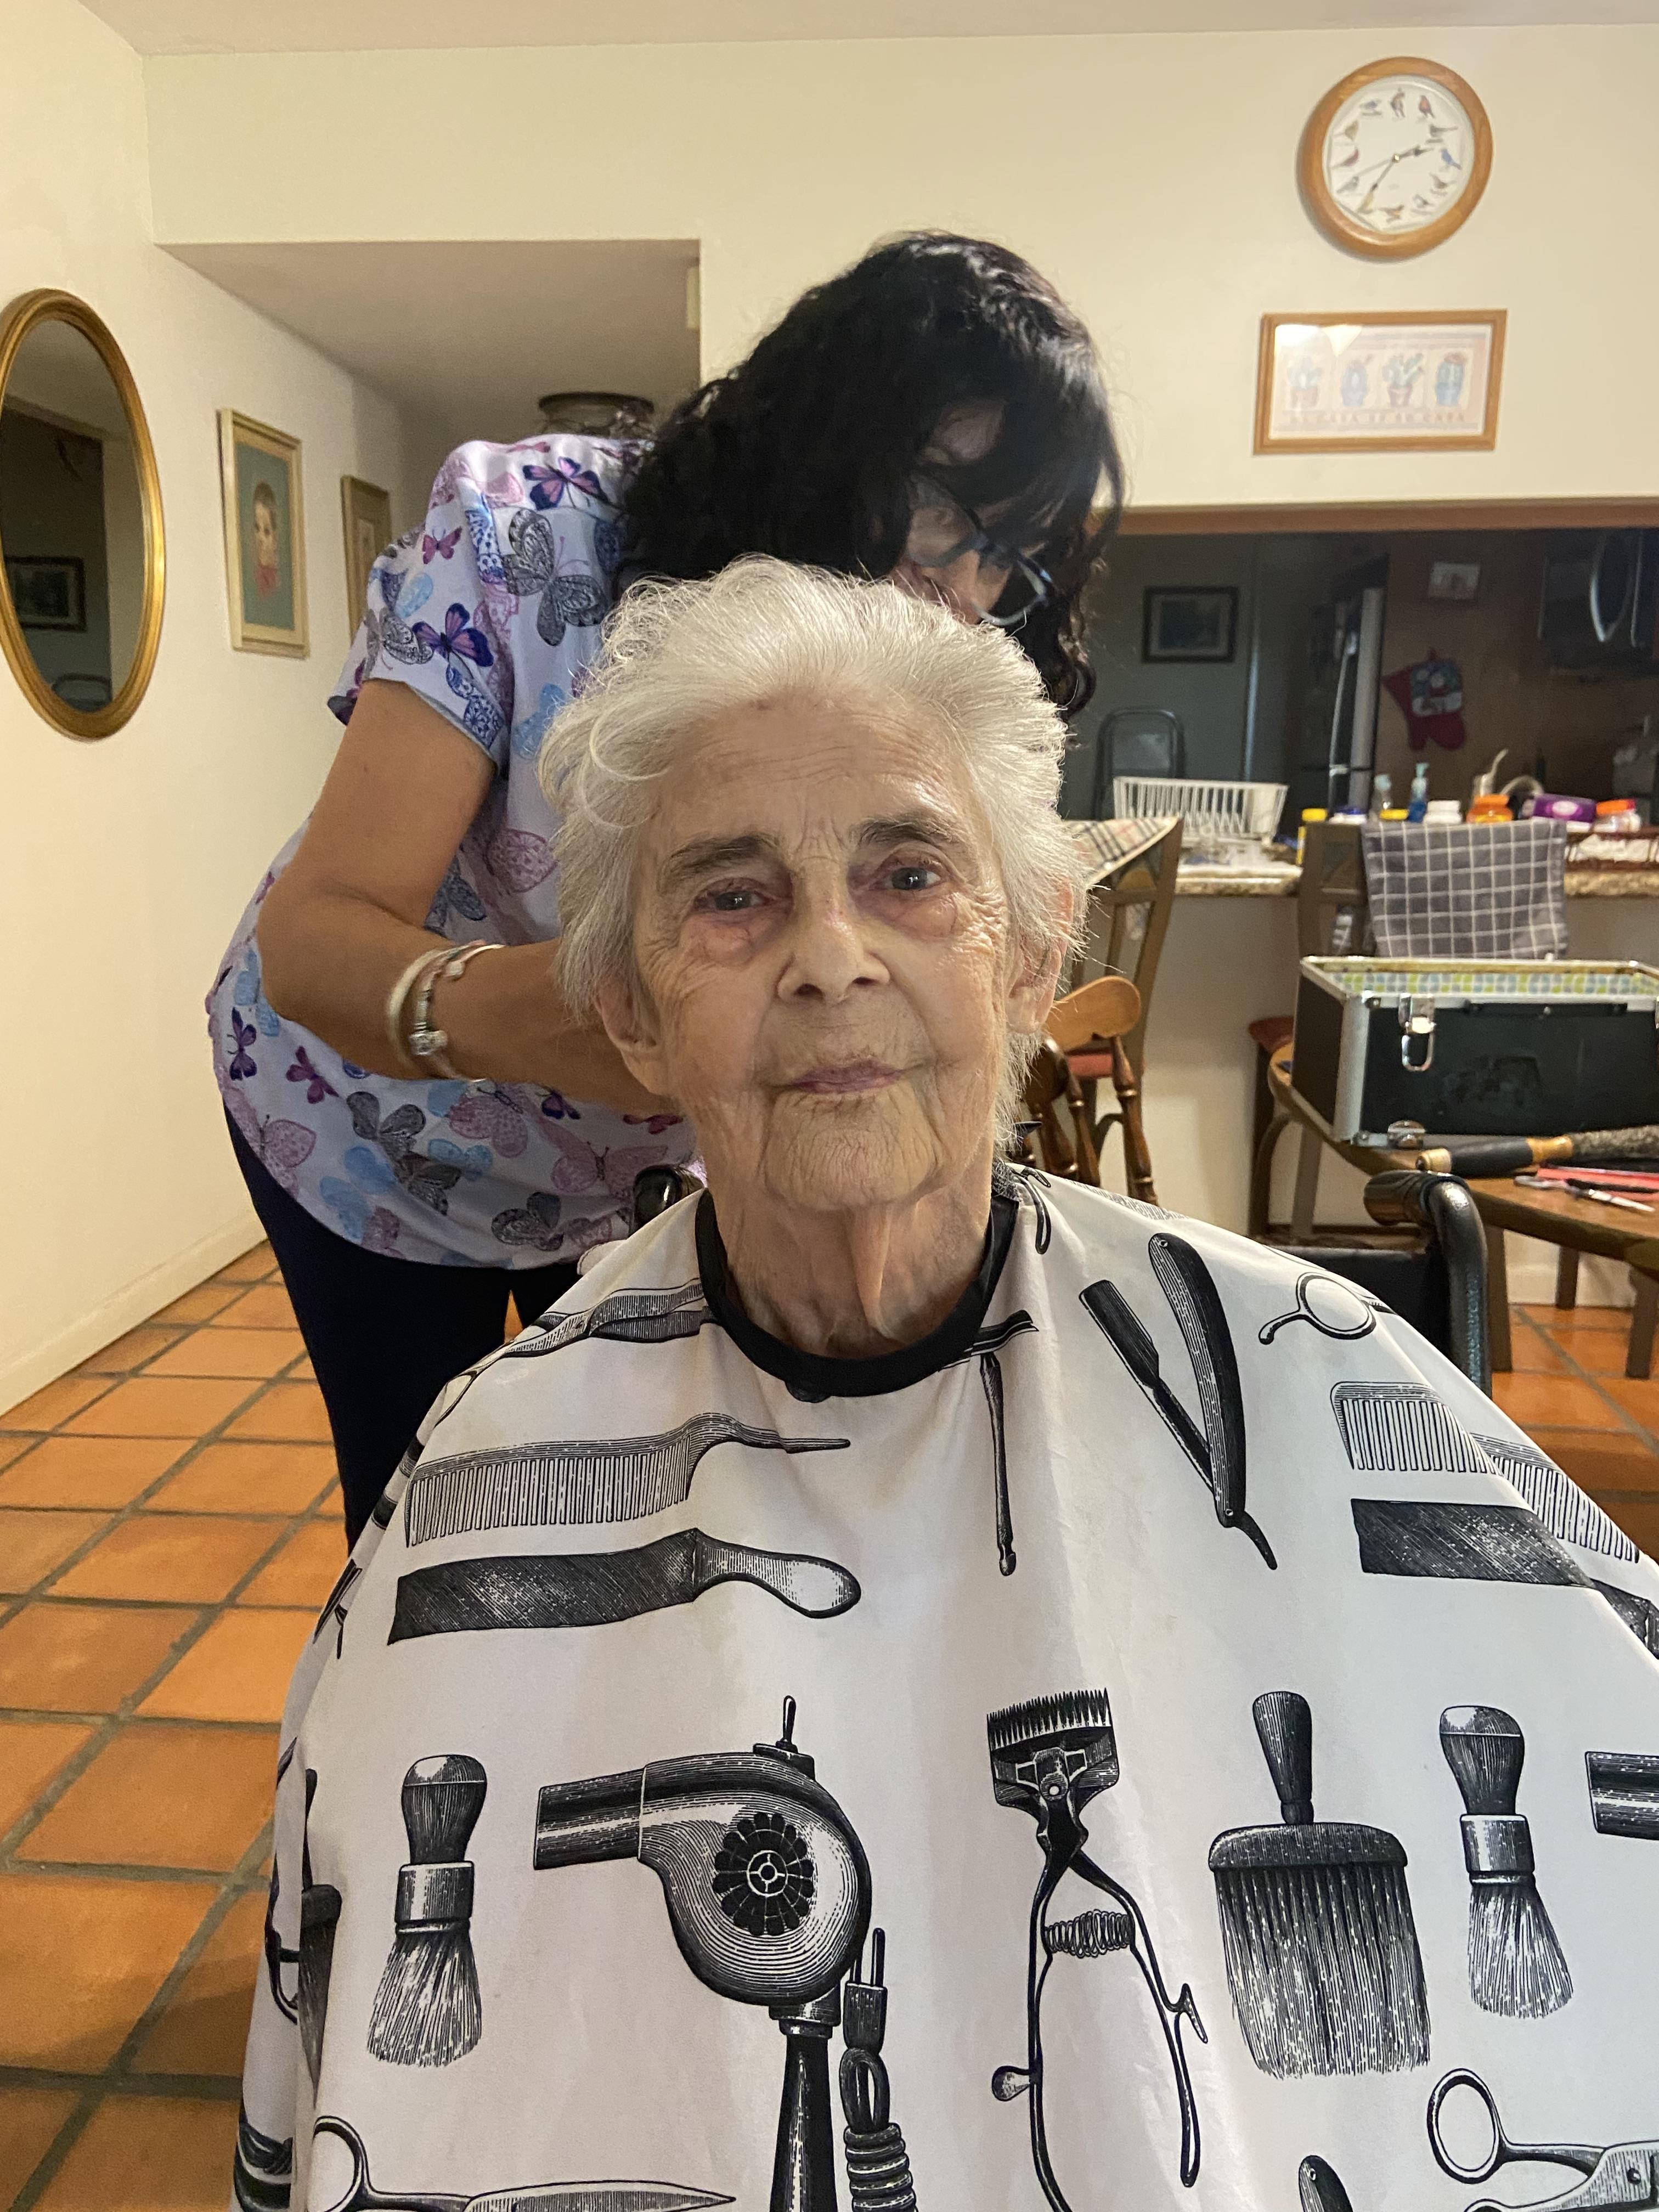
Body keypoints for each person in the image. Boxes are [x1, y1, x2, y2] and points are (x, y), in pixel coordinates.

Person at [241, 563, 1659, 2212]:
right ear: (630, 1011)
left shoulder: (1308, 1365)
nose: (831, 957)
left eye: (910, 873)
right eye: (732, 897)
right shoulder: (495, 1458)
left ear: (1032, 958)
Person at [208, 232, 1124, 1544]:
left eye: (1010, 565)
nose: (961, 597)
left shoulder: (937, 657)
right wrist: (522, 1013)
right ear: (828, 431)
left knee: (643, 1510)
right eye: (950, 517)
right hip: (364, 1138)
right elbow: (317, 938)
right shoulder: (532, 541)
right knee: (432, 1523)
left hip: (629, 1176)